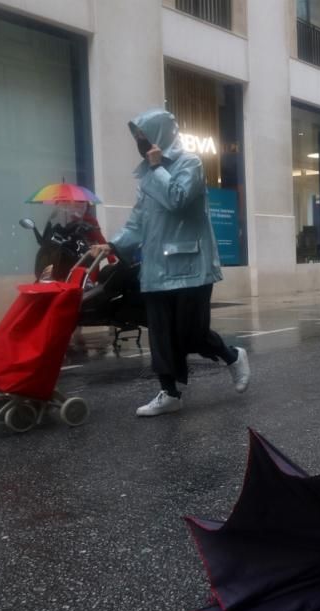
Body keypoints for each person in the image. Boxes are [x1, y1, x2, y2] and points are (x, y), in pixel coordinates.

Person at [91, 109, 249, 416]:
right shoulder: (147, 175)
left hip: (191, 265)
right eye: (136, 137)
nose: (139, 141)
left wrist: (157, 168)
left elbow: (177, 199)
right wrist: (111, 244)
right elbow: (138, 221)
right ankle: (169, 392)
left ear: (159, 135)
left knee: (192, 334)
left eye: (144, 136)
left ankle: (232, 356)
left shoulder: (189, 163)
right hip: (156, 268)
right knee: (160, 334)